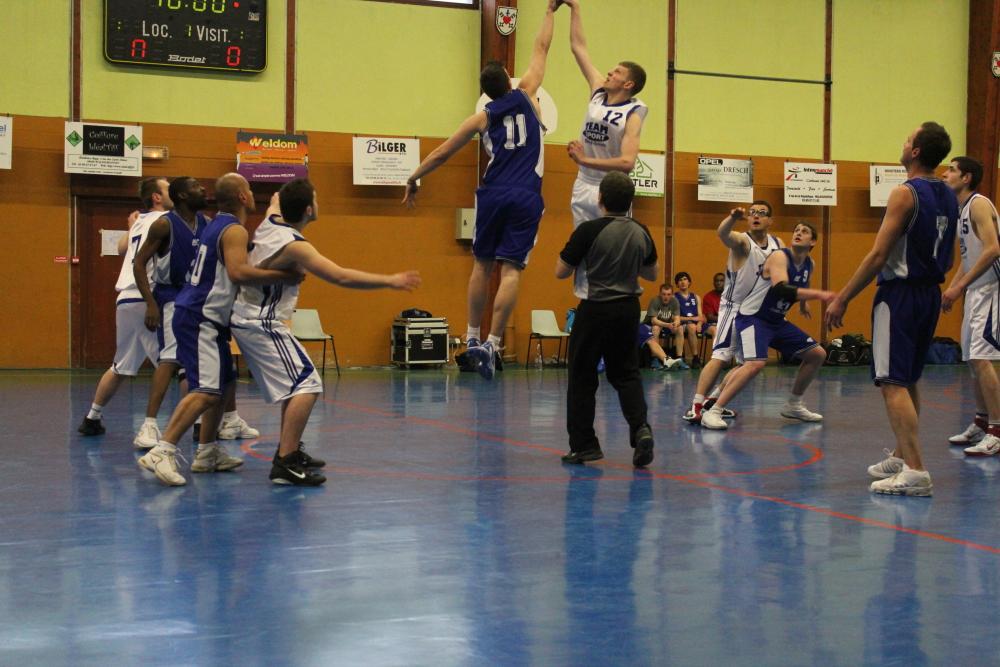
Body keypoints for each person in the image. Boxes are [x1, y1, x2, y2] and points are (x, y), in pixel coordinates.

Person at [402, 1, 561, 380]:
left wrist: (414, 177)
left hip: (492, 193)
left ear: (485, 92)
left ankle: (472, 336)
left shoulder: (481, 117)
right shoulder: (527, 94)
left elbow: (442, 152)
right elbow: (541, 48)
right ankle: (492, 343)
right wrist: (550, 11)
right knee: (511, 270)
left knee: (481, 264)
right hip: (525, 195)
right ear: (508, 79)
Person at [232, 179, 421, 485]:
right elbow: (341, 277)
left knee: (298, 384)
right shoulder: (295, 246)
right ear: (309, 210)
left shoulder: (271, 219)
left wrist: (285, 194)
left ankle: (289, 449)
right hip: (260, 321)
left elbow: (277, 199)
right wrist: (390, 280)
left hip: (253, 317)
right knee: (308, 384)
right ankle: (285, 462)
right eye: (316, 200)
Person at [138, 173, 303, 486]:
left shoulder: (215, 224)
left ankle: (207, 452)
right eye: (249, 189)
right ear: (242, 196)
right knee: (205, 390)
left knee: (225, 384)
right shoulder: (234, 229)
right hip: (200, 315)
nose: (252, 194)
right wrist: (282, 276)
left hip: (206, 316)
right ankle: (163, 449)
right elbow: (238, 272)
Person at [825, 122, 959, 496]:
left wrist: (842, 297)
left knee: (891, 383)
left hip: (899, 295)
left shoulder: (905, 193)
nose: (903, 142)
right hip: (930, 294)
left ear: (915, 151)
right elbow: (949, 259)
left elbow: (878, 255)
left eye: (908, 138)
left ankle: (916, 469)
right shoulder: (949, 195)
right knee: (908, 377)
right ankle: (903, 455)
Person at [132, 176, 258, 449]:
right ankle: (149, 424)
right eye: (196, 187)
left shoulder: (208, 223)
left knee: (222, 366)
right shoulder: (164, 224)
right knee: (170, 359)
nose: (203, 190)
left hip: (199, 297)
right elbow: (139, 262)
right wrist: (150, 303)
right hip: (171, 296)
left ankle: (226, 421)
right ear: (182, 196)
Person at [556, 171, 657, 467]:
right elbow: (652, 274)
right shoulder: (641, 231)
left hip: (595, 308)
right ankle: (641, 428)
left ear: (600, 199)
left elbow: (560, 271)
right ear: (631, 201)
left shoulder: (588, 230)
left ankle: (584, 445)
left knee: (582, 376)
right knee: (627, 374)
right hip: (628, 309)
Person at [700, 223, 834, 430]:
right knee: (754, 364)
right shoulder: (780, 256)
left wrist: (804, 303)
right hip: (753, 318)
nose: (798, 233)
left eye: (804, 231)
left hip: (776, 321)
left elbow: (802, 284)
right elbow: (781, 289)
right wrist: (819, 294)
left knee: (817, 354)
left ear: (813, 241)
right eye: (796, 230)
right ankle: (714, 410)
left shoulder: (810, 263)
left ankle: (794, 404)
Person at [562, 0, 647, 301]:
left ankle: (619, 298)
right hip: (584, 183)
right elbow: (579, 48)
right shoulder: (598, 91)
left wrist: (584, 158)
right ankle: (586, 301)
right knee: (583, 244)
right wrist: (574, 8)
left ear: (629, 83)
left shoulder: (633, 113)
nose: (609, 72)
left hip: (611, 189)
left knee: (612, 245)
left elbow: (627, 162)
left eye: (617, 72)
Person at [78, 177, 172, 436]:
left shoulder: (139, 221)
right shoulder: (167, 220)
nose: (173, 192)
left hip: (125, 299)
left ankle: (92, 418)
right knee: (172, 364)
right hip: (147, 297)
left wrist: (130, 227)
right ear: (157, 197)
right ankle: (180, 426)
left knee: (120, 365)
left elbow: (121, 248)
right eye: (168, 189)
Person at [684, 202, 783, 423]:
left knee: (746, 364)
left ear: (770, 220)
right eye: (752, 213)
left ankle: (713, 402)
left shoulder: (777, 244)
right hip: (734, 307)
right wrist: (732, 218)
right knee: (720, 357)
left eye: (762, 213)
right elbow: (723, 233)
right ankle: (696, 405)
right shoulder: (742, 242)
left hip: (755, 311)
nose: (756, 216)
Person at [940, 156, 1000, 456]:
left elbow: (993, 249)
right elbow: (968, 259)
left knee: (982, 358)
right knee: (972, 359)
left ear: (966, 178)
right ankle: (981, 421)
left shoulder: (978, 204)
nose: (944, 173)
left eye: (951, 170)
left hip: (992, 290)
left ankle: (997, 431)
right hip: (975, 291)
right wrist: (953, 288)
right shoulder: (961, 210)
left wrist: (960, 286)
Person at [641, 284, 683, 369]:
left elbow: (677, 318)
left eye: (668, 294)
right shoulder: (655, 301)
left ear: (672, 295)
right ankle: (655, 359)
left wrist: (675, 323)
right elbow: (654, 320)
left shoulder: (675, 301)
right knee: (656, 328)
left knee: (680, 328)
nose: (666, 297)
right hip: (651, 325)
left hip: (667, 325)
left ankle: (680, 359)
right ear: (660, 294)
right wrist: (667, 325)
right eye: (664, 294)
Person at [673, 271, 703, 367]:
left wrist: (699, 324)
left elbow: (700, 316)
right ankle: (679, 359)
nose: (683, 282)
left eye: (685, 279)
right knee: (680, 328)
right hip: (679, 324)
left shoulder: (696, 297)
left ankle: (695, 358)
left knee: (692, 327)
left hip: (692, 325)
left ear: (689, 282)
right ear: (677, 284)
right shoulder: (674, 297)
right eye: (680, 280)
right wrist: (691, 318)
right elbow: (674, 317)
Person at [702, 272, 725, 340]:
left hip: (728, 323)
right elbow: (710, 317)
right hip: (712, 324)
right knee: (717, 331)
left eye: (721, 281)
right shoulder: (708, 297)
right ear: (714, 283)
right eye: (716, 281)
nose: (718, 283)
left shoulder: (731, 296)